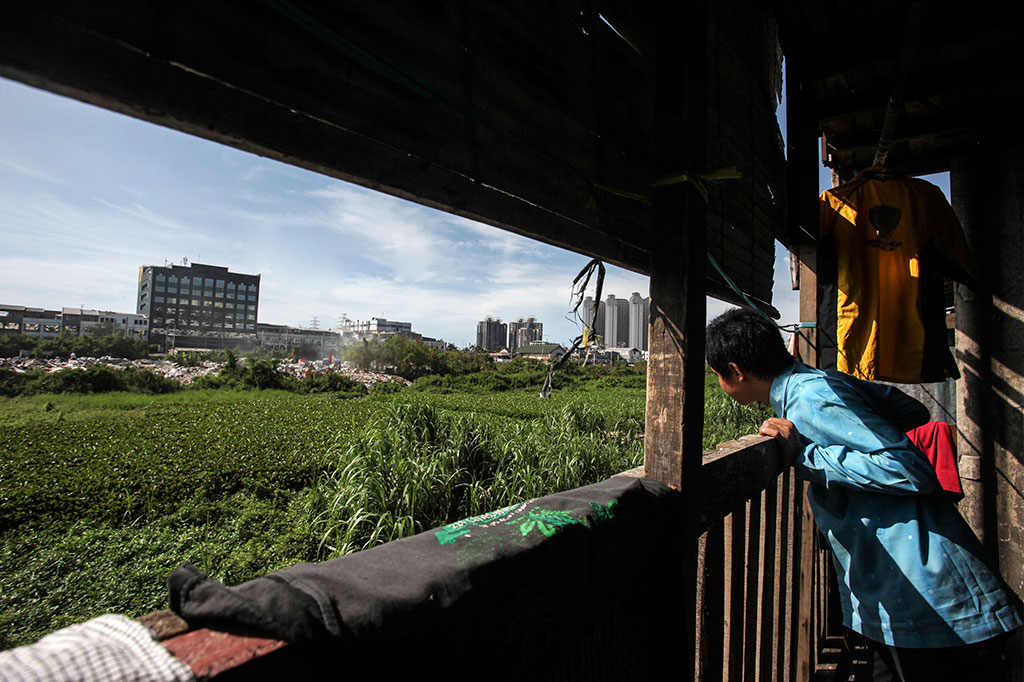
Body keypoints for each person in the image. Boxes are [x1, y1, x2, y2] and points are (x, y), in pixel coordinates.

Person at [706, 307, 1023, 682]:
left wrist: (806, 453)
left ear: (736, 371)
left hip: (922, 586)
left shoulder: (811, 396)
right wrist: (850, 396)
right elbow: (912, 409)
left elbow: (908, 469)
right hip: (910, 582)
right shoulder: (818, 385)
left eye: (717, 375)